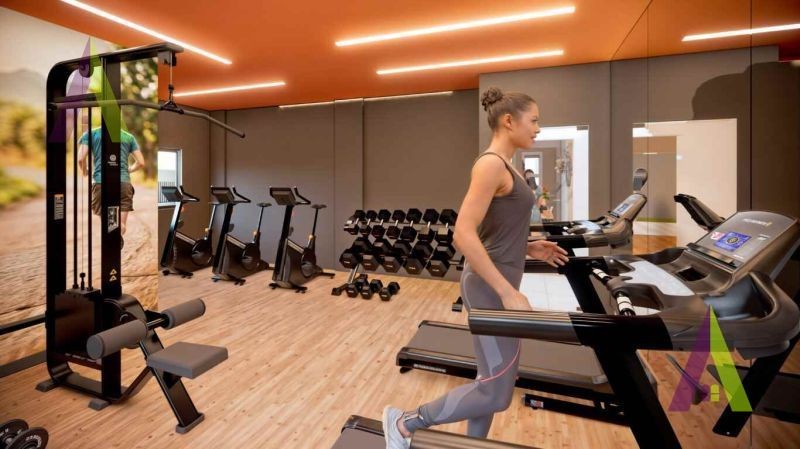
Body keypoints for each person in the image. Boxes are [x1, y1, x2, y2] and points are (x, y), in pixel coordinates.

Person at [382, 87, 569, 448]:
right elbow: (463, 234)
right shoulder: (490, 165)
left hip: (496, 279)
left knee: (491, 383)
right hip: (488, 287)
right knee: (497, 392)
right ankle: (404, 423)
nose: (538, 128)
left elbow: (493, 233)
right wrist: (507, 292)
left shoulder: (507, 166)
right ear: (509, 121)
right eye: (534, 120)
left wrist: (529, 247)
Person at [77, 125, 145, 237]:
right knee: (120, 224)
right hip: (123, 183)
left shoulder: (91, 134)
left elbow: (80, 159)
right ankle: (120, 228)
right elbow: (141, 162)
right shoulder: (128, 137)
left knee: (109, 225)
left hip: (100, 182)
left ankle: (114, 229)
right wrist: (129, 170)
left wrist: (85, 171)